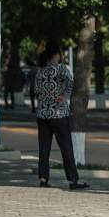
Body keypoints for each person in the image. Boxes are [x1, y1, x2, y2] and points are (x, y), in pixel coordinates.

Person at [33, 42, 89, 190]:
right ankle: (73, 180)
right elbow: (71, 82)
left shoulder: (40, 71)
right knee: (66, 148)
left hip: (43, 114)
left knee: (44, 149)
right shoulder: (61, 69)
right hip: (59, 114)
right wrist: (64, 96)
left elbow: (37, 90)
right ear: (56, 55)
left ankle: (43, 178)